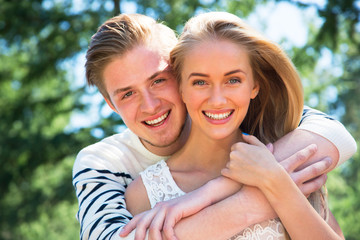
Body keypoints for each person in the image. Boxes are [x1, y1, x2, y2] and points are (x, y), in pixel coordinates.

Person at [72, 13, 357, 240]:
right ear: (111, 103)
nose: (150, 106)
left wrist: (222, 189)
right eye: (127, 93)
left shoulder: (273, 145)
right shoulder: (108, 167)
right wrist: (258, 199)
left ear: (176, 76)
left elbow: (335, 134)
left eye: (158, 80)